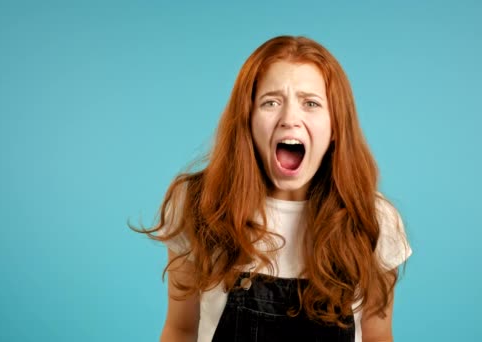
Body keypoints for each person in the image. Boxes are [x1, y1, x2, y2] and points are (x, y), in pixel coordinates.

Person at [136, 35, 412, 342]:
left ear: (335, 127)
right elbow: (181, 330)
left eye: (311, 103)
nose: (290, 119)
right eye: (271, 102)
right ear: (248, 119)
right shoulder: (198, 204)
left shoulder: (373, 219)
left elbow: (378, 337)